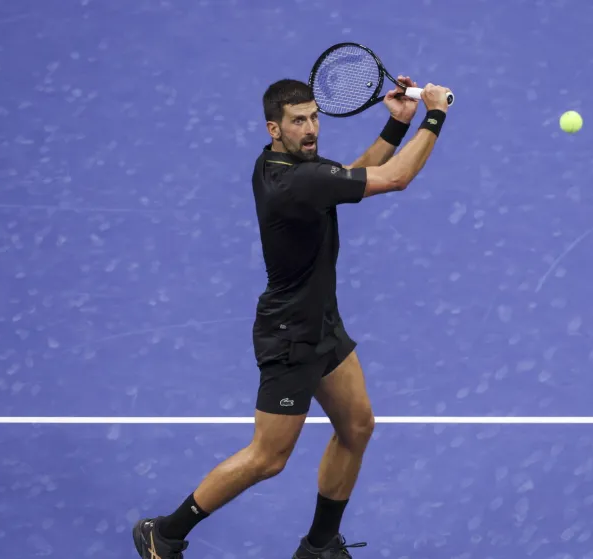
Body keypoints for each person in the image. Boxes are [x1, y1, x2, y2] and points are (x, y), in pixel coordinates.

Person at [131, 75, 453, 559]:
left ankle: (320, 545)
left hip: (320, 323)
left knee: (357, 427)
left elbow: (350, 177)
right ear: (273, 128)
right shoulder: (296, 181)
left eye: (314, 117)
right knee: (268, 458)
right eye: (298, 121)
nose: (311, 129)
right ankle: (166, 534)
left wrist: (396, 123)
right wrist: (435, 113)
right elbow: (395, 179)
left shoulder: (288, 167)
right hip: (290, 334)